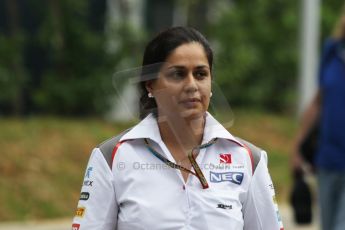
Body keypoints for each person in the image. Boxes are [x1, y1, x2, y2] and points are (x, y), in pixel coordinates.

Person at [72, 26, 284, 230]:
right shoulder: (111, 157)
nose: (192, 85)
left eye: (201, 74)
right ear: (150, 85)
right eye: (178, 74)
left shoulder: (248, 159)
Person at [292, 6, 345, 230]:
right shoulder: (332, 51)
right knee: (328, 224)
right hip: (328, 156)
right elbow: (318, 101)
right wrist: (297, 145)